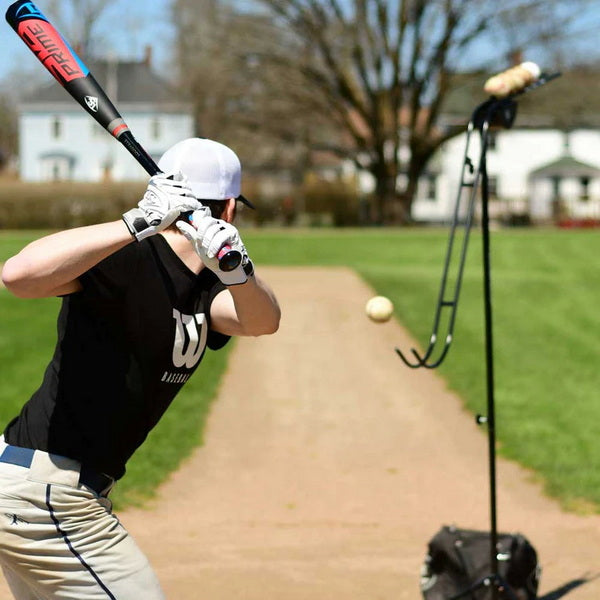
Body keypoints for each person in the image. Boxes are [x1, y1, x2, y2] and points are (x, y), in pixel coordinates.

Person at [0, 137, 281, 599]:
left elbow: (262, 321)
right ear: (230, 208)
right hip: (47, 495)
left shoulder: (210, 285)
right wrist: (134, 224)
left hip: (55, 492)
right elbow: (17, 276)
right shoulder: (126, 256)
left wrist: (239, 272)